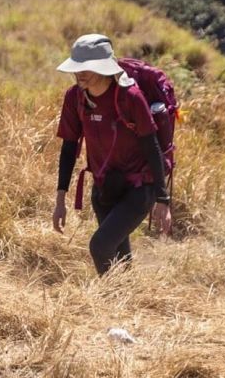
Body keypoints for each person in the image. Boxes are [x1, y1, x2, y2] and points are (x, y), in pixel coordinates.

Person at [51, 34, 172, 275]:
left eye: (88, 67)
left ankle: (107, 301)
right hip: (104, 187)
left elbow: (152, 147)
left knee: (100, 245)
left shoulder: (130, 98)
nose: (80, 73)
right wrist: (60, 200)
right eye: (78, 67)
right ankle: (125, 302)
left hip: (139, 189)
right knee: (119, 258)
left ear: (104, 68)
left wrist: (162, 199)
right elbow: (68, 149)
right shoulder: (74, 97)